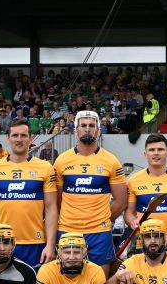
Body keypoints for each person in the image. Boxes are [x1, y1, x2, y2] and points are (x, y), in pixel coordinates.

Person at [0, 118, 58, 269]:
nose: (19, 140)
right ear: (8, 138)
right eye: (15, 135)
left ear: (31, 138)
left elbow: (51, 208)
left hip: (35, 244)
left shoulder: (45, 168)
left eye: (24, 135)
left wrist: (50, 245)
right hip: (1, 244)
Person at [53, 110, 127, 274]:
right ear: (75, 130)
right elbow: (56, 201)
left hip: (99, 233)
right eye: (83, 125)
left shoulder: (111, 161)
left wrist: (102, 219)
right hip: (67, 229)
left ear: (98, 130)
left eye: (92, 125)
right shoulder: (61, 161)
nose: (87, 129)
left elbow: (121, 201)